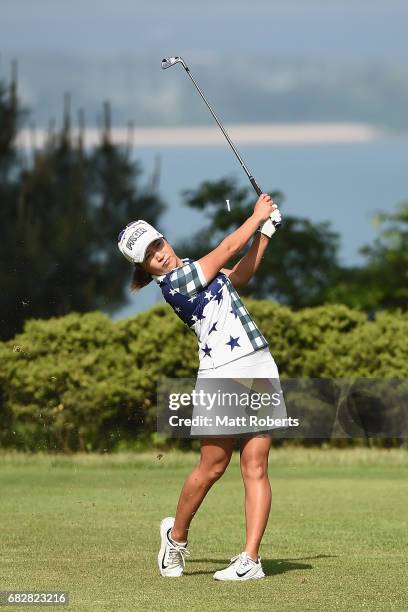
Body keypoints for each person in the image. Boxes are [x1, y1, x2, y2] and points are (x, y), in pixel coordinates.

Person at [117, 193, 283, 581]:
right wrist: (257, 216)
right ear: (142, 266)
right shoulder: (174, 283)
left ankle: (251, 559)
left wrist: (266, 234)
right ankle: (175, 539)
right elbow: (226, 249)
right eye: (147, 255)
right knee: (213, 466)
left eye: (157, 243)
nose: (158, 253)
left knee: (255, 464)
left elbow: (238, 276)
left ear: (163, 239)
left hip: (259, 362)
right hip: (220, 372)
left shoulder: (192, 267)